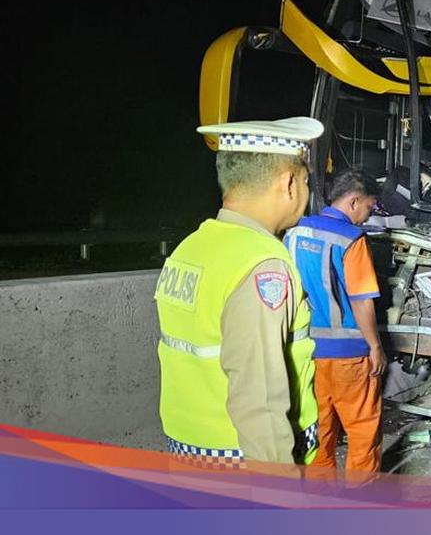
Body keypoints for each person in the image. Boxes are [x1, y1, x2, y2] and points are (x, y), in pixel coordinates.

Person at [155, 117, 323, 467]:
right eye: (306, 182)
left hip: (189, 451)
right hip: (245, 463)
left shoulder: (191, 248)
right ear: (289, 183)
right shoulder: (262, 264)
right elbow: (259, 400)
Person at [284, 168, 385, 482]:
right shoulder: (351, 239)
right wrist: (375, 347)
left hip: (304, 351)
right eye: (369, 206)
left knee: (318, 430)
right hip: (348, 355)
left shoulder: (293, 232)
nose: (367, 215)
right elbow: (361, 300)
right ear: (354, 201)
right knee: (362, 430)